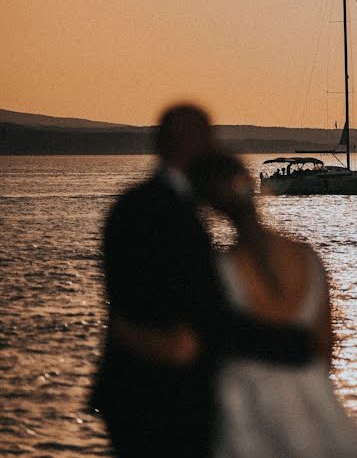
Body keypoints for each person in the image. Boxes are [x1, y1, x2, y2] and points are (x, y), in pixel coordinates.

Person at [91, 104, 316, 458]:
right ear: (196, 143)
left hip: (144, 390)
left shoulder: (140, 204)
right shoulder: (163, 212)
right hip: (157, 394)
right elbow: (200, 313)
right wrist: (289, 344)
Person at [188, 152, 357, 458]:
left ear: (209, 207)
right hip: (314, 403)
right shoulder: (307, 257)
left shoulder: (219, 270)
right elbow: (325, 345)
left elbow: (203, 350)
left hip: (246, 409)